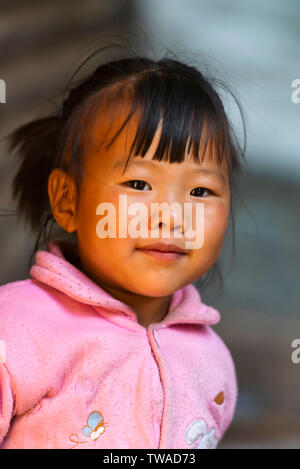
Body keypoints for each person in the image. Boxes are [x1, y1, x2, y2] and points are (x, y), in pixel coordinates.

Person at [0, 50, 246, 449]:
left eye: (200, 191)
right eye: (138, 184)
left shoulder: (213, 364)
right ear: (67, 200)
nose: (172, 216)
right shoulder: (13, 331)